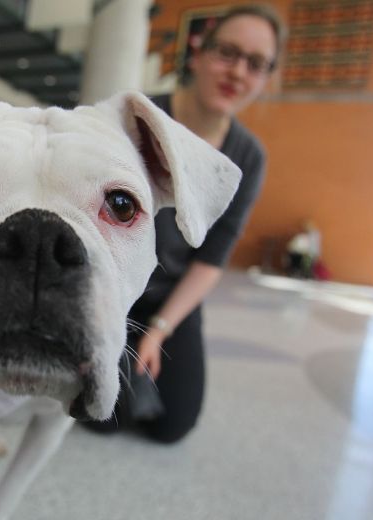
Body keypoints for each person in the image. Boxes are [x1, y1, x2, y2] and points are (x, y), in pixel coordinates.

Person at [86, 5, 287, 443]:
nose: (237, 72)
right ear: (198, 52)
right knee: (103, 415)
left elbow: (212, 257)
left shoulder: (248, 156)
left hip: (170, 296)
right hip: (112, 285)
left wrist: (159, 330)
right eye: (227, 52)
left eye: (256, 64)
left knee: (172, 424)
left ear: (266, 77)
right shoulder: (136, 120)